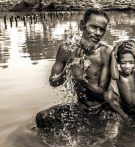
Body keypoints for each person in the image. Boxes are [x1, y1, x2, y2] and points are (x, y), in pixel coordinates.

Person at [36, 8, 123, 138]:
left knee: (110, 138)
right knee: (42, 118)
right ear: (82, 25)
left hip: (107, 108)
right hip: (82, 107)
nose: (98, 33)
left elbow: (101, 90)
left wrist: (80, 78)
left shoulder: (106, 52)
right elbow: (53, 81)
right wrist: (69, 68)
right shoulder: (66, 49)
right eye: (93, 27)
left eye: (102, 29)